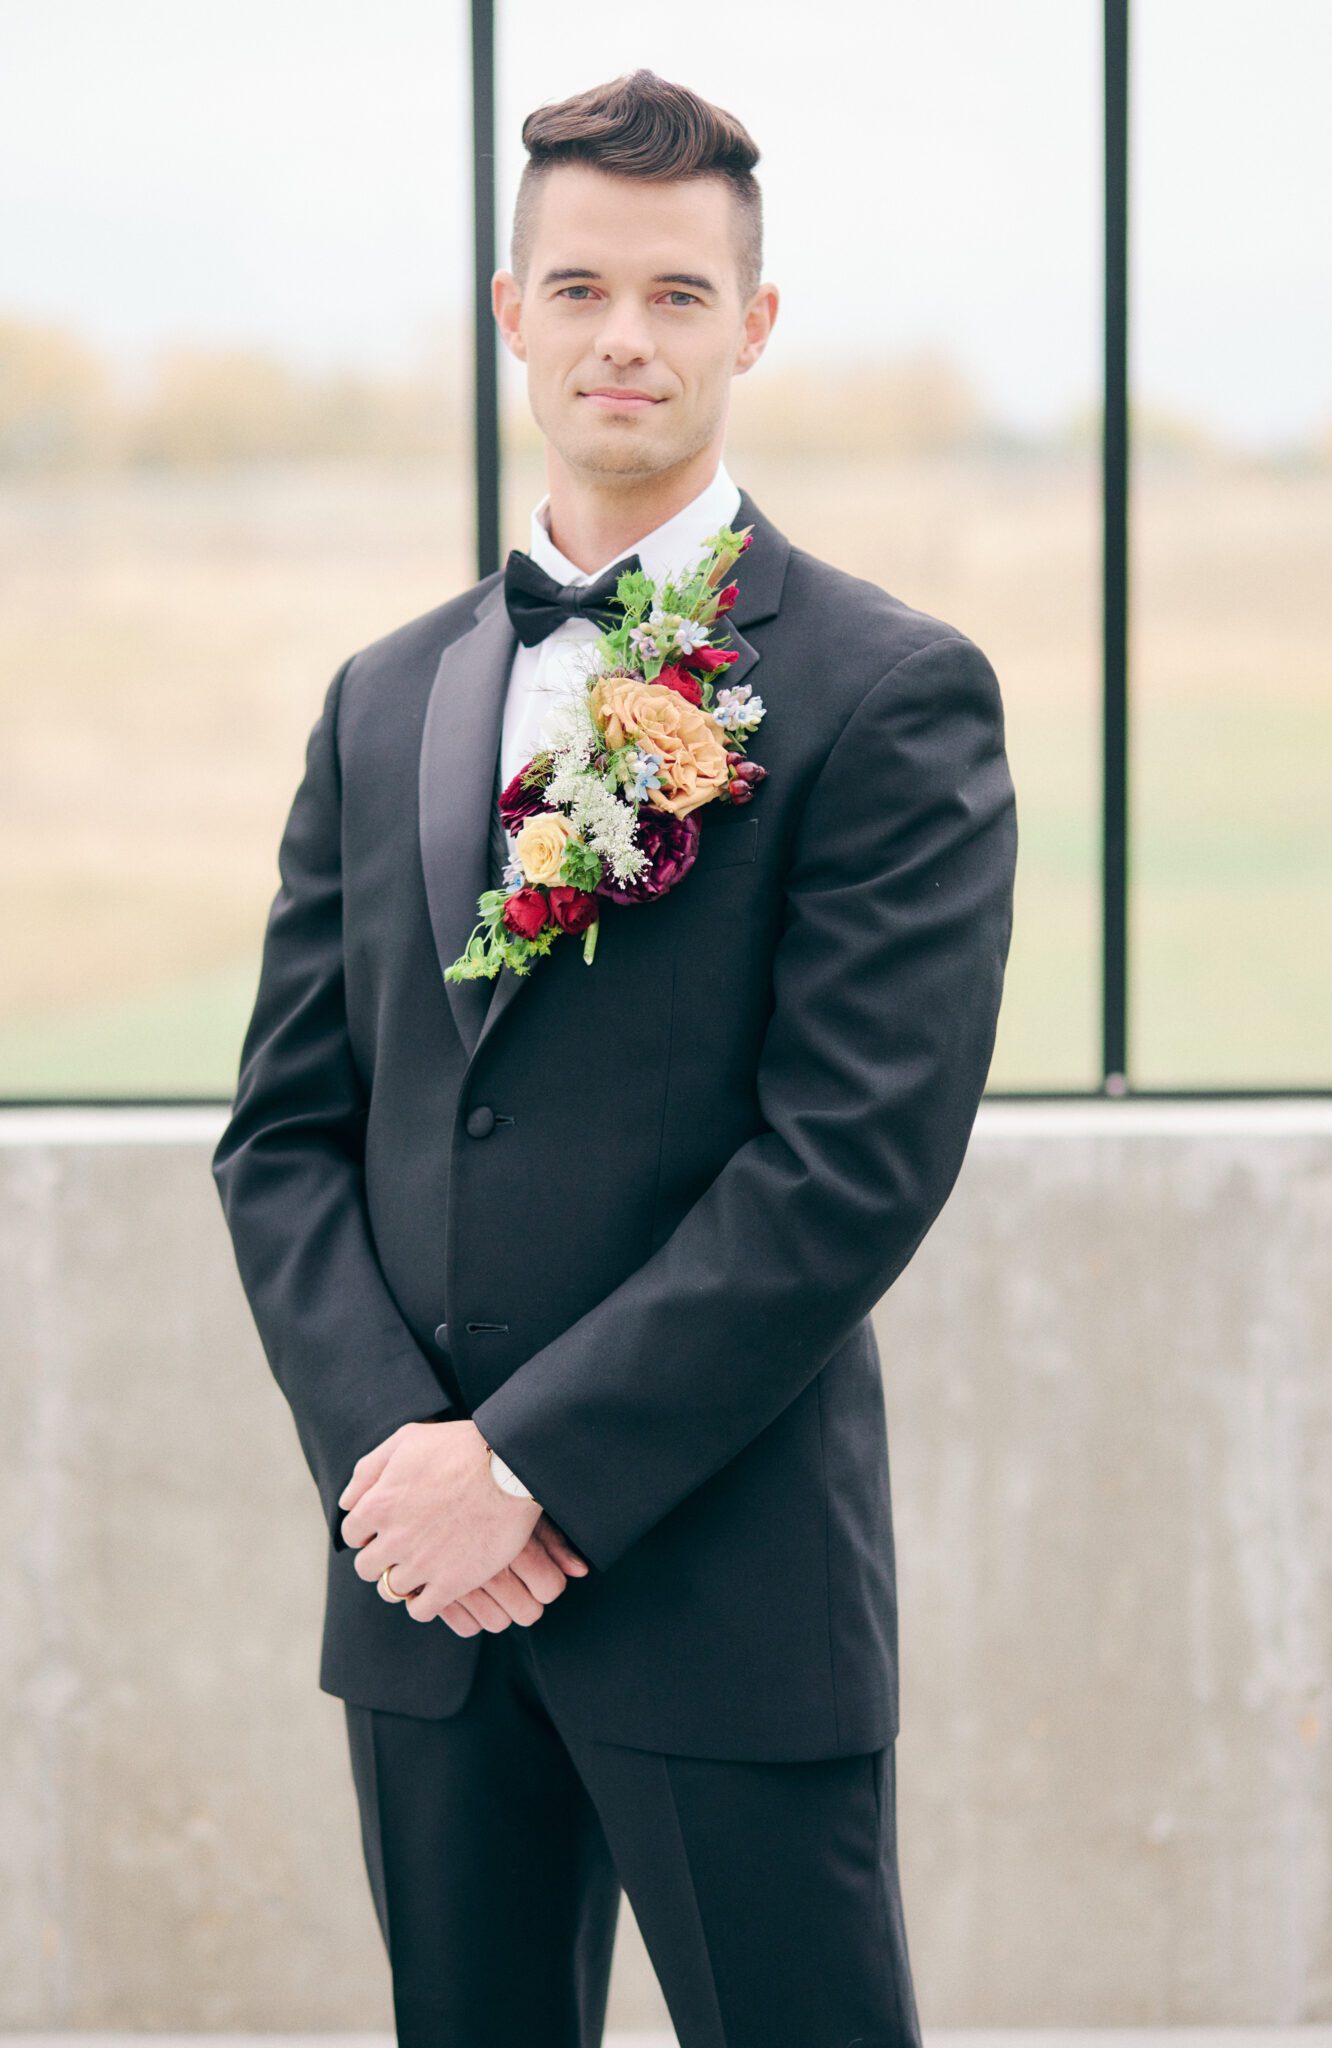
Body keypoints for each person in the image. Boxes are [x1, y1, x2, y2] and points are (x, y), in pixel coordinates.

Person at [211, 65, 1017, 2048]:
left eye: (675, 295)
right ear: (511, 315)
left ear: (753, 324)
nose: (623, 339)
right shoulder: (384, 693)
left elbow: (849, 1166)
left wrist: (534, 1471)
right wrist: (405, 1474)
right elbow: (287, 1135)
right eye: (578, 289)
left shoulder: (886, 695)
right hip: (422, 1606)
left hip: (728, 1596)